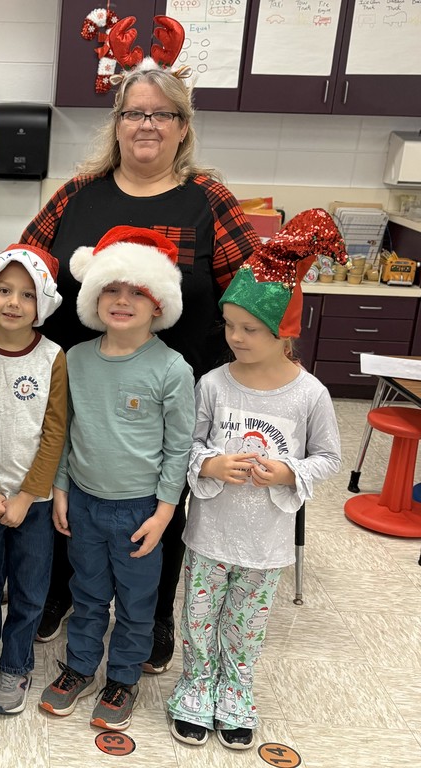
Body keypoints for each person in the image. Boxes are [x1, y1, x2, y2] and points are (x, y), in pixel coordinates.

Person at [21, 16, 260, 672]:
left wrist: (268, 363)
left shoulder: (206, 199)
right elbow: (26, 266)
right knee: (74, 491)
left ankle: (151, 615)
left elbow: (254, 288)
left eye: (163, 114)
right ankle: (62, 593)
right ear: (117, 123)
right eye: (135, 113)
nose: (147, 125)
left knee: (161, 499)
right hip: (82, 377)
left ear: (183, 127)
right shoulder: (77, 194)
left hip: (171, 384)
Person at [166, 210, 343, 750]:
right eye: (230, 325)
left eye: (250, 329)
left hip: (267, 544)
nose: (235, 337)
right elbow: (188, 446)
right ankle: (196, 685)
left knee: (246, 624)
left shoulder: (309, 394)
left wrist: (290, 471)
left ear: (284, 331)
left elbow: (329, 457)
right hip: (209, 535)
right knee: (198, 615)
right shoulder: (214, 384)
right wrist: (212, 465)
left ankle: (236, 689)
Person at [38, 227, 194, 732]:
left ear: (159, 305)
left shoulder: (172, 369)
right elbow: (66, 430)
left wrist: (165, 512)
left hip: (141, 510)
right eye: (111, 289)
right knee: (86, 593)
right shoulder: (76, 359)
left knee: (136, 601)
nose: (122, 301)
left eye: (138, 292)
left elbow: (179, 448)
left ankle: (123, 676)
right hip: (82, 501)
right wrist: (60, 487)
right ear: (93, 297)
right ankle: (80, 667)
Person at [0, 244, 67, 715]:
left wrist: (27, 495)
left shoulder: (52, 357)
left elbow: (54, 431)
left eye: (27, 294)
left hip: (35, 501)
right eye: (3, 290)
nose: (13, 302)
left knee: (29, 588)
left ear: (42, 304)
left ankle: (16, 663)